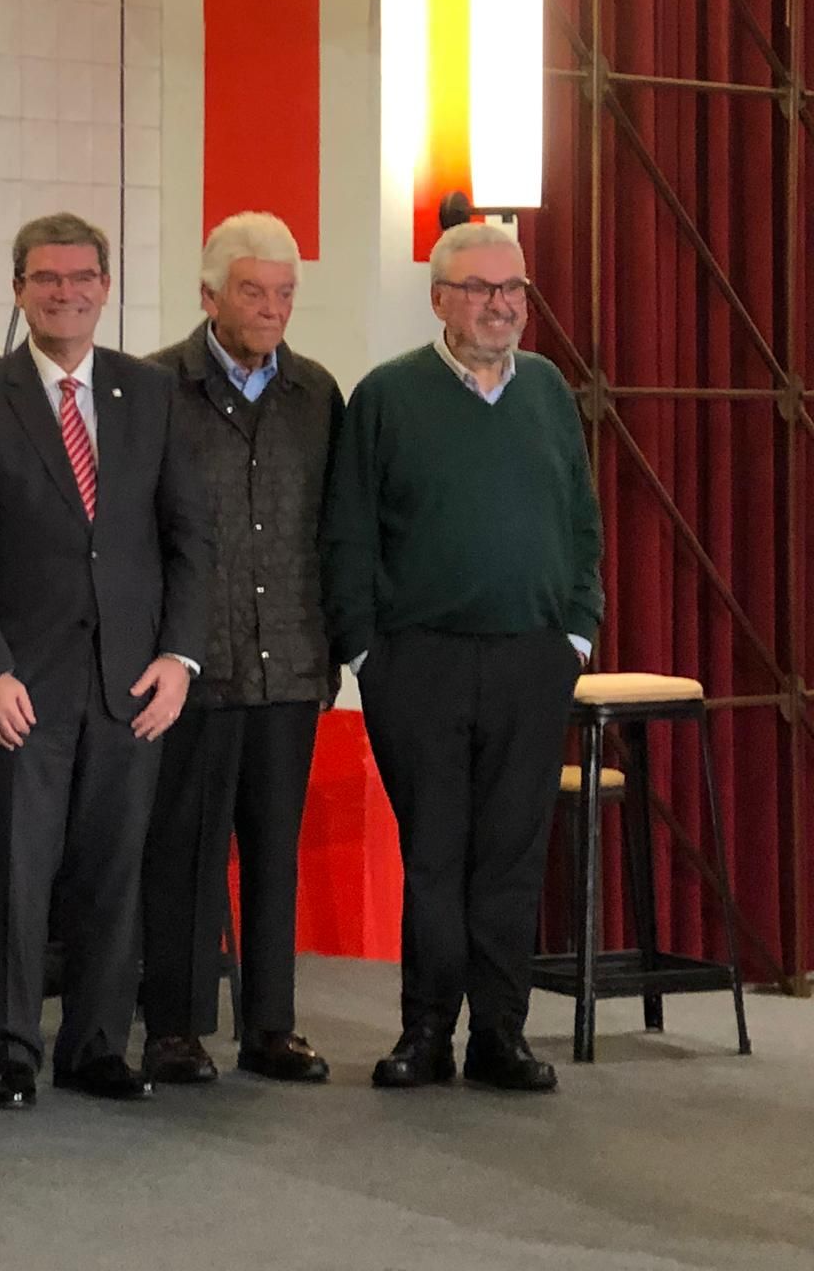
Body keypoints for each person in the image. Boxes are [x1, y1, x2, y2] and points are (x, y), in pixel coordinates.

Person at [0, 211, 211, 1109]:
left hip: (132, 683)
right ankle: (10, 1055)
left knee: (115, 871)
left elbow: (189, 541)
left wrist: (181, 658)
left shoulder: (151, 394)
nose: (66, 293)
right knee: (16, 872)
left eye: (82, 277)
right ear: (18, 289)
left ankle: (95, 1045)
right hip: (22, 685)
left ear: (105, 287)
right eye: (47, 279)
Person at [323, 220, 603, 1093]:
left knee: (512, 855)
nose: (501, 307)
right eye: (481, 290)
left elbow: (582, 521)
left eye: (513, 290)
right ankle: (426, 1031)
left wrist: (576, 631)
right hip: (420, 663)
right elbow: (349, 531)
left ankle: (502, 1036)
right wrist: (364, 650)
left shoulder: (550, 391)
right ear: (440, 298)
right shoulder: (388, 395)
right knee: (436, 854)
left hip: (531, 657)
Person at [139, 212, 343, 1087]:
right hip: (195, 665)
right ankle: (178, 1029)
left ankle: (272, 1026)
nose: (271, 309)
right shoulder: (154, 387)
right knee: (184, 851)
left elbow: (336, 529)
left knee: (274, 851)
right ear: (209, 295)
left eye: (285, 294)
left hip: (292, 661)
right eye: (254, 292)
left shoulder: (317, 395)